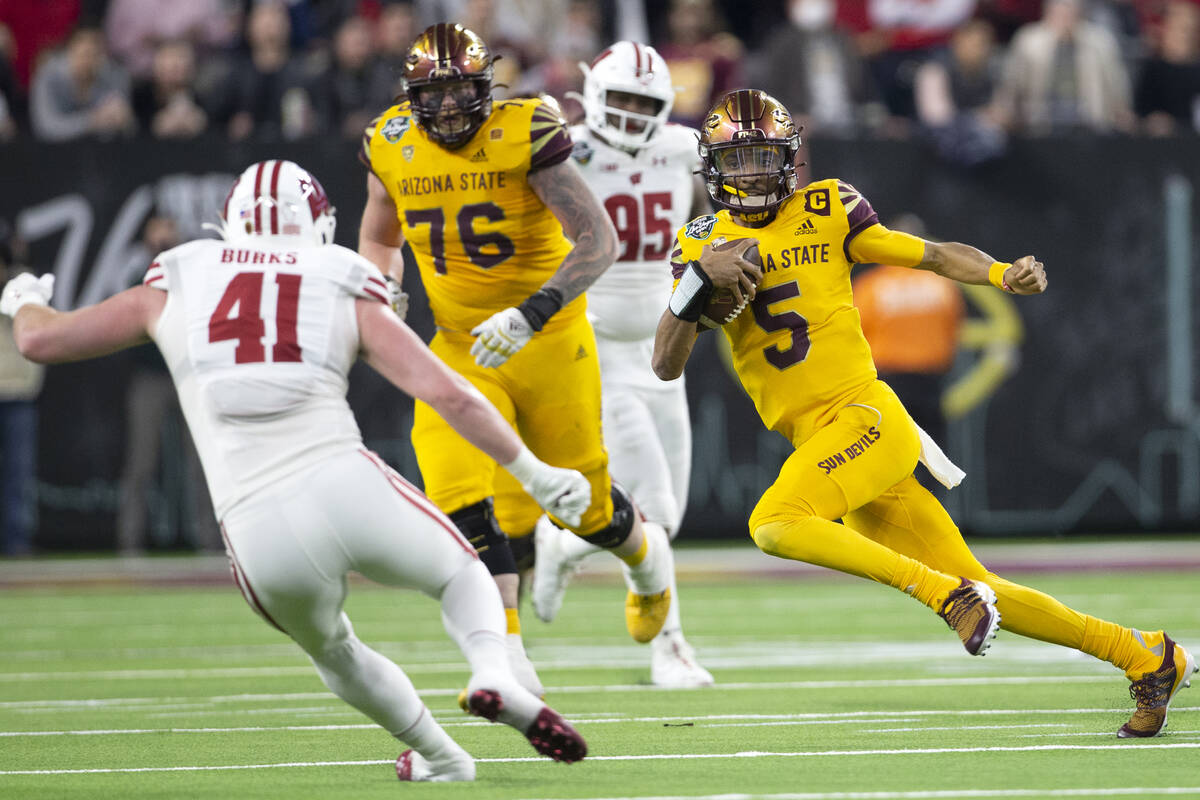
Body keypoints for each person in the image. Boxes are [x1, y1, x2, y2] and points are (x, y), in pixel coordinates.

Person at [0, 159, 589, 780]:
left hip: (254, 528)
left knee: (334, 652)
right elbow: (449, 394)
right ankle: (494, 673)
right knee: (463, 574)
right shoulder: (339, 273)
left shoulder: (182, 274)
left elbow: (42, 341)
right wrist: (535, 473)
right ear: (319, 225)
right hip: (340, 481)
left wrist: (24, 300)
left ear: (229, 224)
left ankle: (442, 757)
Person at [651, 89, 1196, 739]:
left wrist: (998, 274)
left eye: (763, 158)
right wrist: (693, 288)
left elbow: (931, 254)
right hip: (823, 437)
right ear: (712, 168)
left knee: (774, 523)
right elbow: (664, 362)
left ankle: (943, 597)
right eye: (738, 161)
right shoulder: (701, 241)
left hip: (864, 416)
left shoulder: (826, 208)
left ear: (789, 158)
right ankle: (1147, 655)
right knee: (982, 582)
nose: (752, 174)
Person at [358, 23, 678, 699]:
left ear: (486, 87)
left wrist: (532, 310)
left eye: (459, 92)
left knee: (584, 510)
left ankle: (648, 563)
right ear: (411, 96)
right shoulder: (389, 142)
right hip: (457, 348)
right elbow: (379, 230)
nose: (447, 109)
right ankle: (506, 654)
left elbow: (599, 238)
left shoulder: (525, 128)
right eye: (432, 94)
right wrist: (377, 281)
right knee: (458, 501)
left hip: (551, 341)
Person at [530, 41, 713, 689]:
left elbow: (742, 188)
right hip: (597, 346)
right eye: (624, 100)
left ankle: (563, 543)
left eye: (646, 103)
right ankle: (671, 649)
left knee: (669, 515)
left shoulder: (682, 147)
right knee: (654, 512)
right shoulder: (563, 146)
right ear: (594, 96)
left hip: (664, 348)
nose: (634, 114)